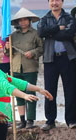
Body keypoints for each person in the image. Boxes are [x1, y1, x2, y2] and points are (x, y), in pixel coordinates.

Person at [37, 0, 76, 130]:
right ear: (49, 3)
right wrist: (58, 28)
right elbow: (41, 32)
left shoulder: (69, 17)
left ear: (62, 2)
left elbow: (69, 33)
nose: (55, 3)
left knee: (70, 89)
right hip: (50, 58)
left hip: (67, 57)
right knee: (49, 89)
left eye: (57, 0)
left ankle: (71, 120)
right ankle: (50, 120)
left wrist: (51, 32)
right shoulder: (44, 19)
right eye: (52, 0)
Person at [9, 8, 43, 129]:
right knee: (19, 94)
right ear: (17, 22)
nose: (23, 22)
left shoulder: (36, 34)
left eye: (25, 20)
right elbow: (8, 53)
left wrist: (33, 52)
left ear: (29, 20)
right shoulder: (12, 35)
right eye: (20, 20)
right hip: (16, 67)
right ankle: (22, 120)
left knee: (30, 92)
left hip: (30, 68)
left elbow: (41, 48)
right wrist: (8, 47)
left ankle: (30, 120)